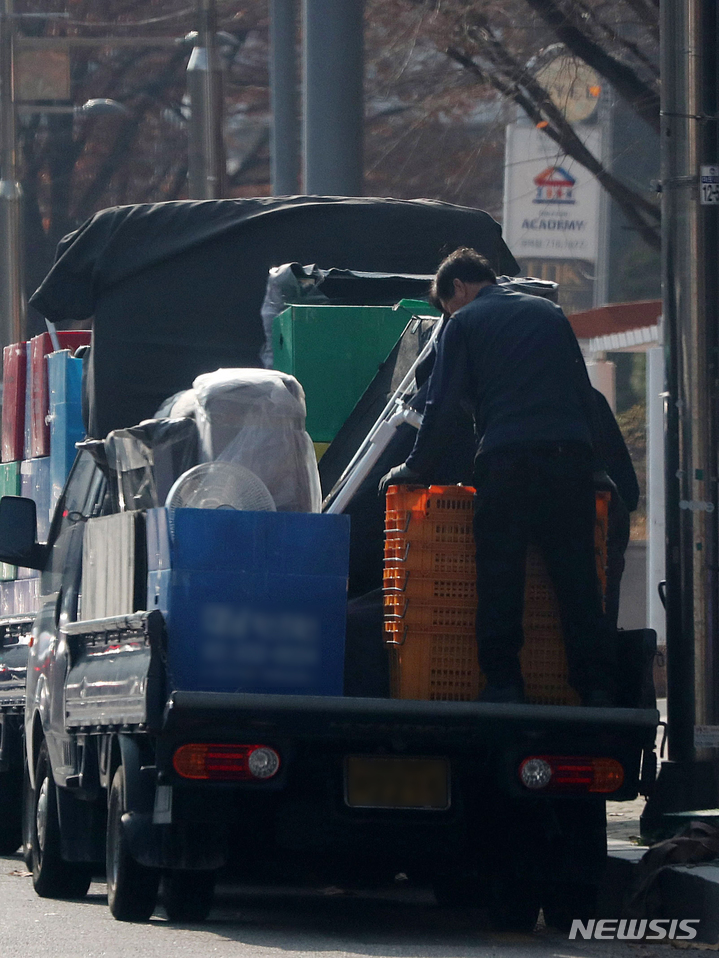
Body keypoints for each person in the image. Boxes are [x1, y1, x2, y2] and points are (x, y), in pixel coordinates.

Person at [380, 248, 617, 706]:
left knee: (500, 574)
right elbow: (581, 392)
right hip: (568, 459)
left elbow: (442, 404)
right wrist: (597, 466)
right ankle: (595, 688)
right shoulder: (549, 313)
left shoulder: (465, 323)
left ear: (459, 290)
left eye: (446, 307)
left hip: (507, 460)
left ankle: (506, 684)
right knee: (577, 577)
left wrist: (415, 468)